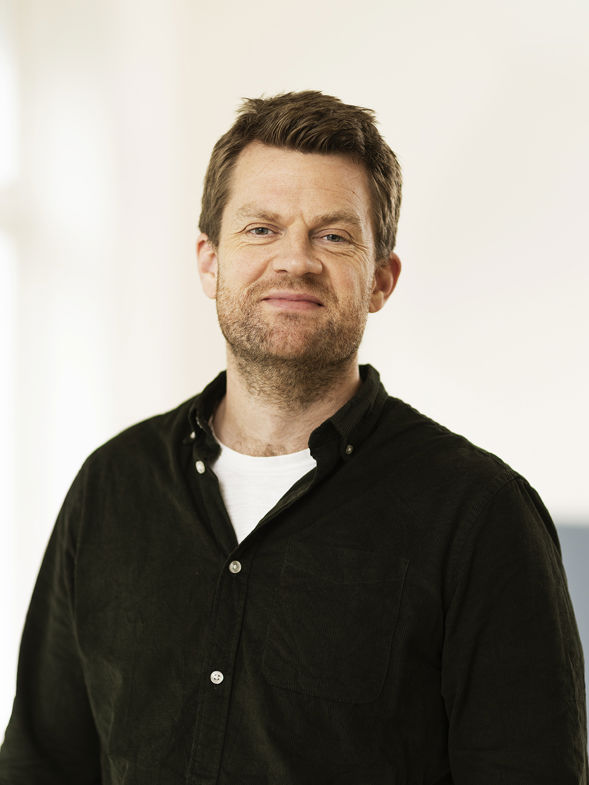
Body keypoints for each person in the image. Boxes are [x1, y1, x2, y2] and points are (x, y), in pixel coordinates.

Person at [0, 91, 586, 785]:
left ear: (381, 279)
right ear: (209, 262)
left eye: (333, 236)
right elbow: (41, 761)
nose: (295, 260)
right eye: (261, 229)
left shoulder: (479, 514)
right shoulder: (112, 485)